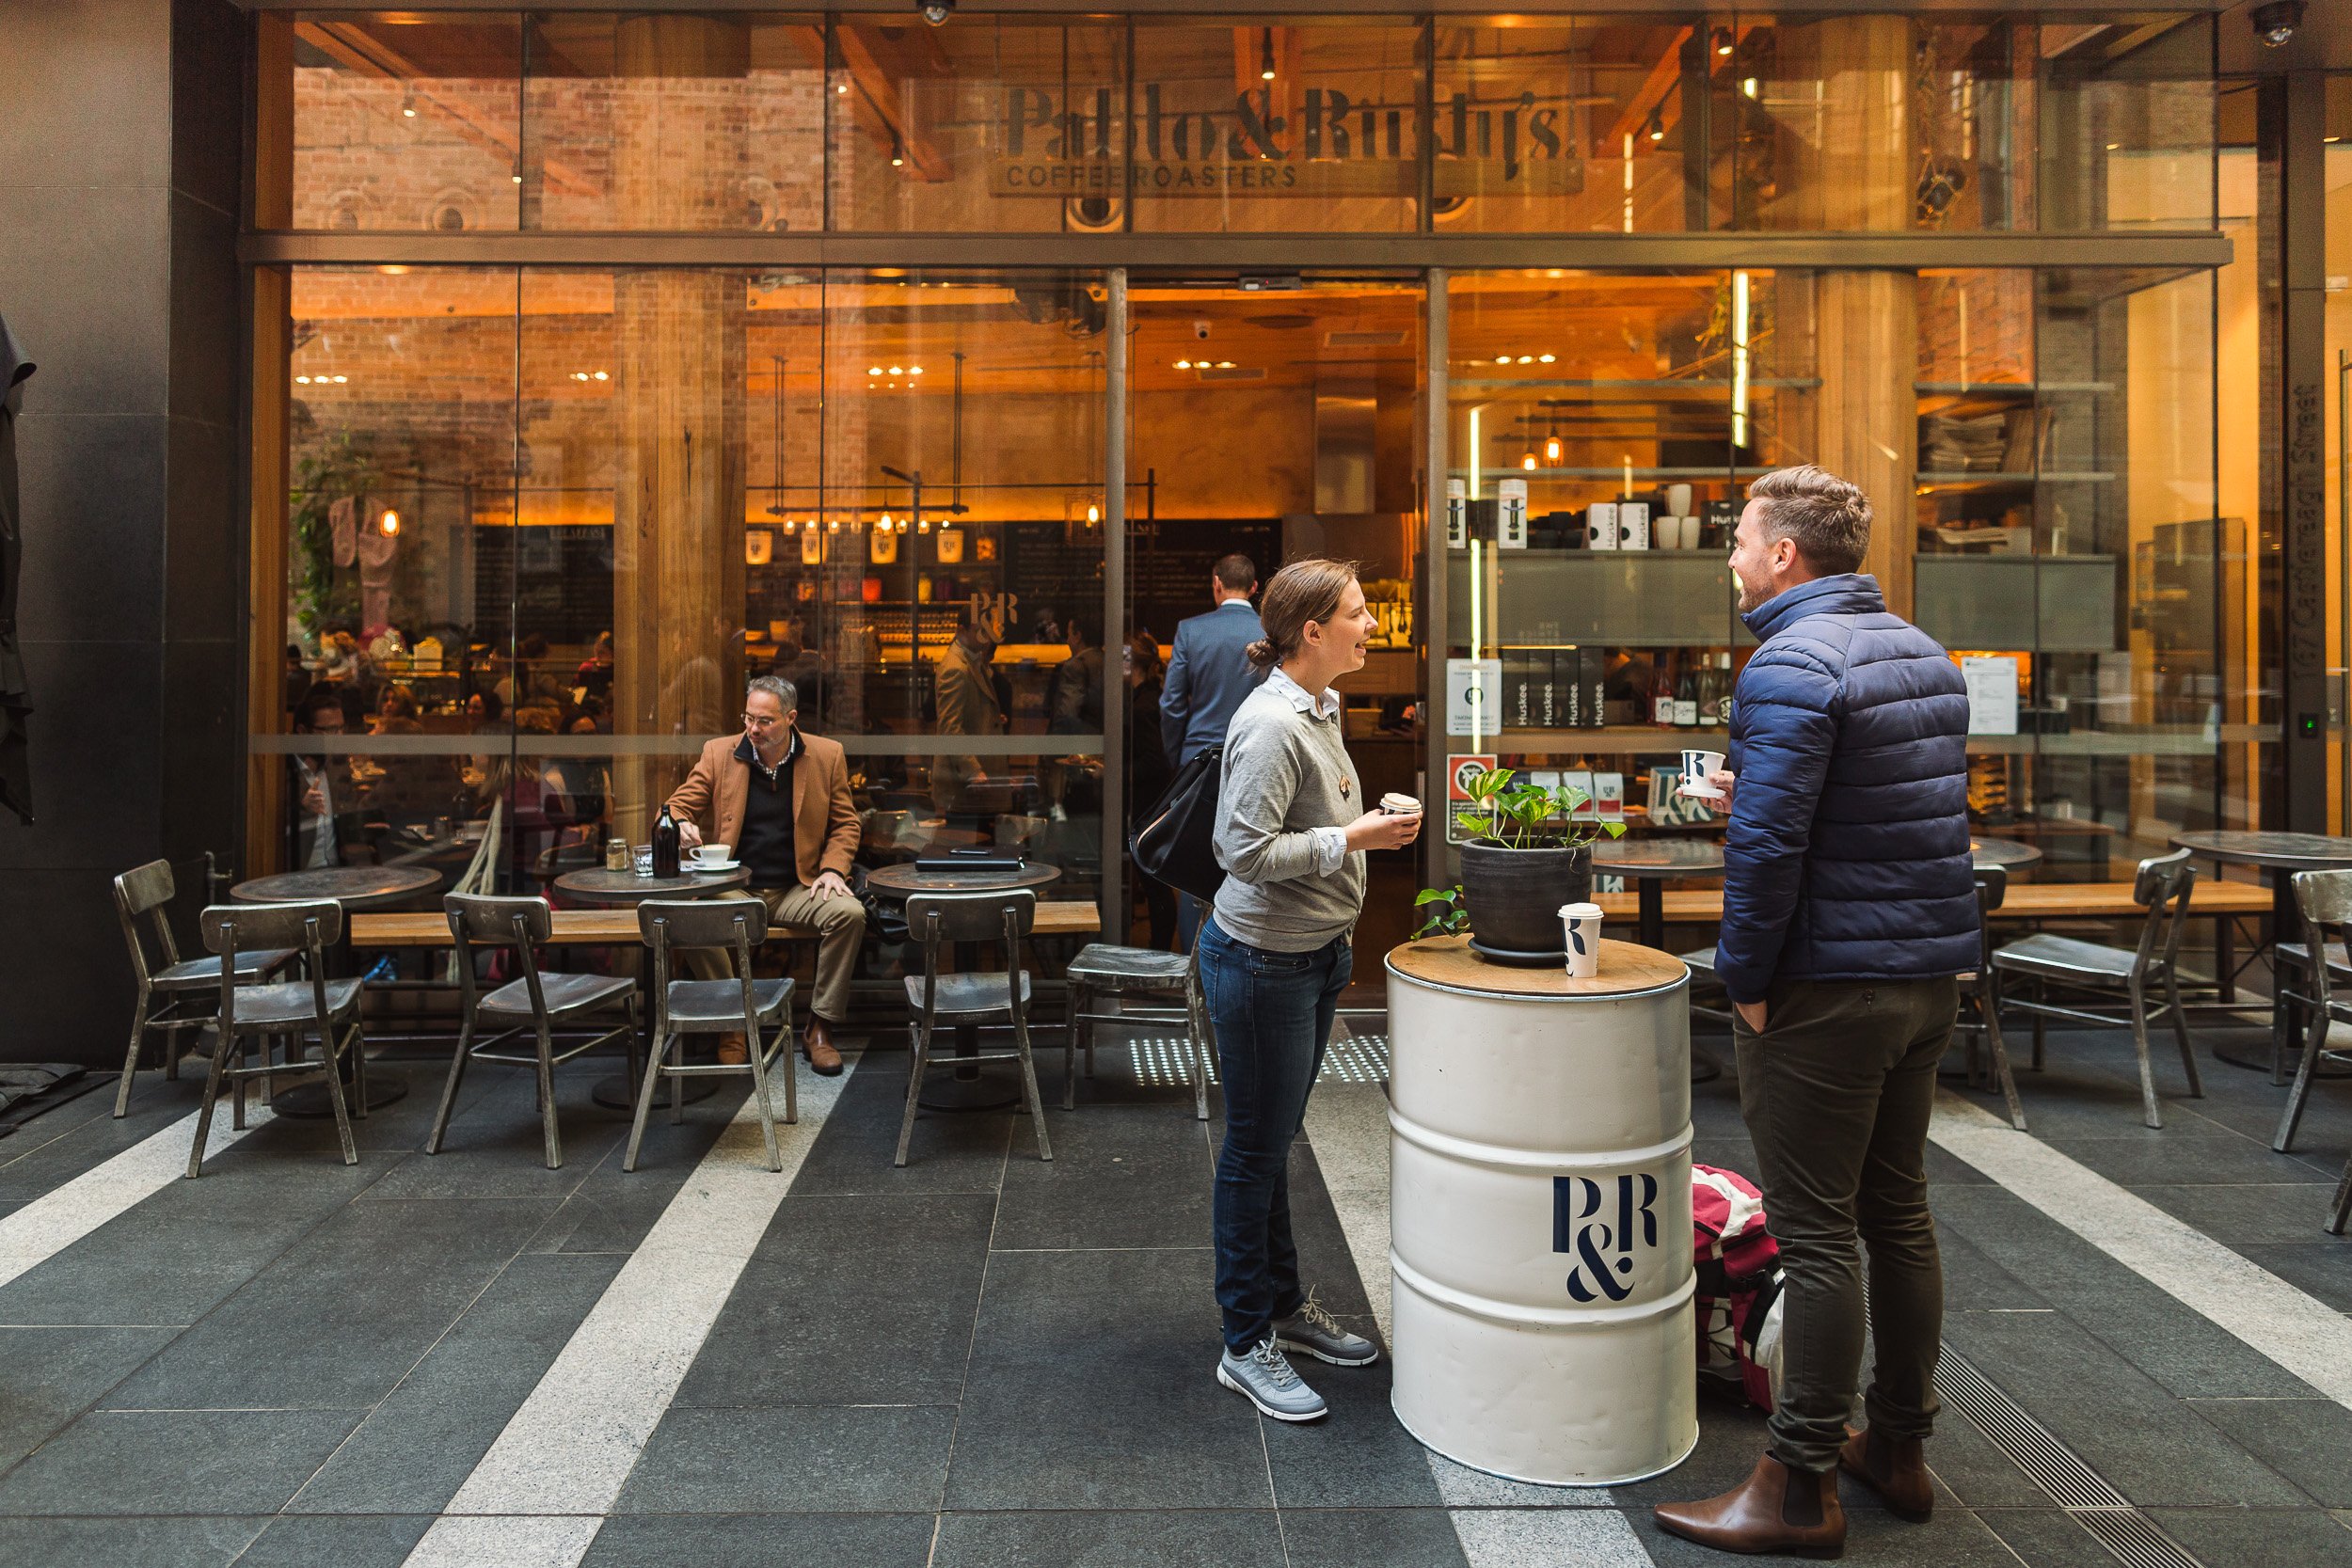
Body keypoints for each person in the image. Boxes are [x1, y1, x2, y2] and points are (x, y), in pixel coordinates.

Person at [1651, 466, 1974, 1559]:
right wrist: (1765, 791)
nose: (1732, 557)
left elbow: (1771, 849)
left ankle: (1795, 1483)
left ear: (1784, 553)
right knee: (1897, 1215)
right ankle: (1897, 1444)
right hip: (1921, 978)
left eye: (1740, 539)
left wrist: (1743, 978)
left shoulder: (1787, 658)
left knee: (1819, 1230)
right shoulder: (1916, 650)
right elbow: (1880, 807)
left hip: (1825, 987)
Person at [1199, 559, 1421, 1423]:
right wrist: (1353, 837)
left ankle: (1283, 1311)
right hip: (1262, 963)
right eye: (1360, 614)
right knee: (1254, 1149)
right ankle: (1243, 1340)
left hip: (1312, 954)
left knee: (1275, 1137)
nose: (1372, 625)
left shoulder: (1319, 707)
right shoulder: (1269, 726)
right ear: (1312, 631)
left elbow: (1309, 826)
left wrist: (1353, 829)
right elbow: (1241, 852)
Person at [667, 675, 866, 1076]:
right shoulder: (719, 752)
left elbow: (847, 824)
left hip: (799, 885)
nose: (753, 729)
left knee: (851, 914)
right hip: (735, 889)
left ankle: (819, 1028)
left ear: (791, 718)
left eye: (765, 721)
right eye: (748, 718)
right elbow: (676, 805)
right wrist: (678, 823)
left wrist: (832, 869)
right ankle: (734, 1023)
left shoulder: (827, 755)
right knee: (684, 912)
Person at [1161, 552, 1265, 948]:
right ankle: (1243, 955)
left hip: (1198, 763)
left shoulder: (1191, 630)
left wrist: (1177, 758)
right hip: (1259, 757)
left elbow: (1171, 704)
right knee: (1253, 859)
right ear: (1255, 588)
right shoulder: (1269, 630)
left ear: (1216, 583)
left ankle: (1197, 966)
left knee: (1193, 867)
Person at [1123, 629, 1177, 950]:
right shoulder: (1150, 697)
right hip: (1150, 802)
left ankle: (1159, 953)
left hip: (1145, 804)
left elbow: (1155, 762)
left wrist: (1115, 773)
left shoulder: (1143, 706)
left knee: (1154, 883)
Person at [931, 619, 1005, 813]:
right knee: (967, 839)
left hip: (970, 784)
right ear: (961, 630)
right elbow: (950, 727)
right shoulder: (956, 667)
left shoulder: (970, 659)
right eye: (980, 631)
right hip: (962, 784)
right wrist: (973, 770)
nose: (985, 638)